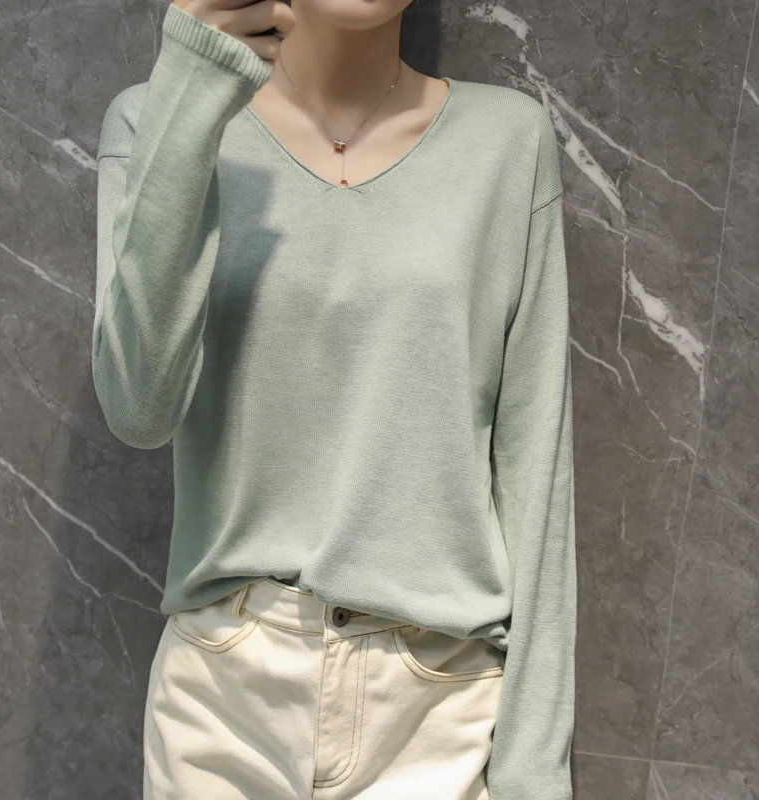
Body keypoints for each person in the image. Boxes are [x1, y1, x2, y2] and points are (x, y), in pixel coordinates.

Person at [92, 0, 577, 797]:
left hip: (437, 711)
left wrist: (535, 774)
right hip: (223, 705)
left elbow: (538, 476)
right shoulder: (157, 117)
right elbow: (138, 409)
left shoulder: (506, 142)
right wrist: (193, 81)